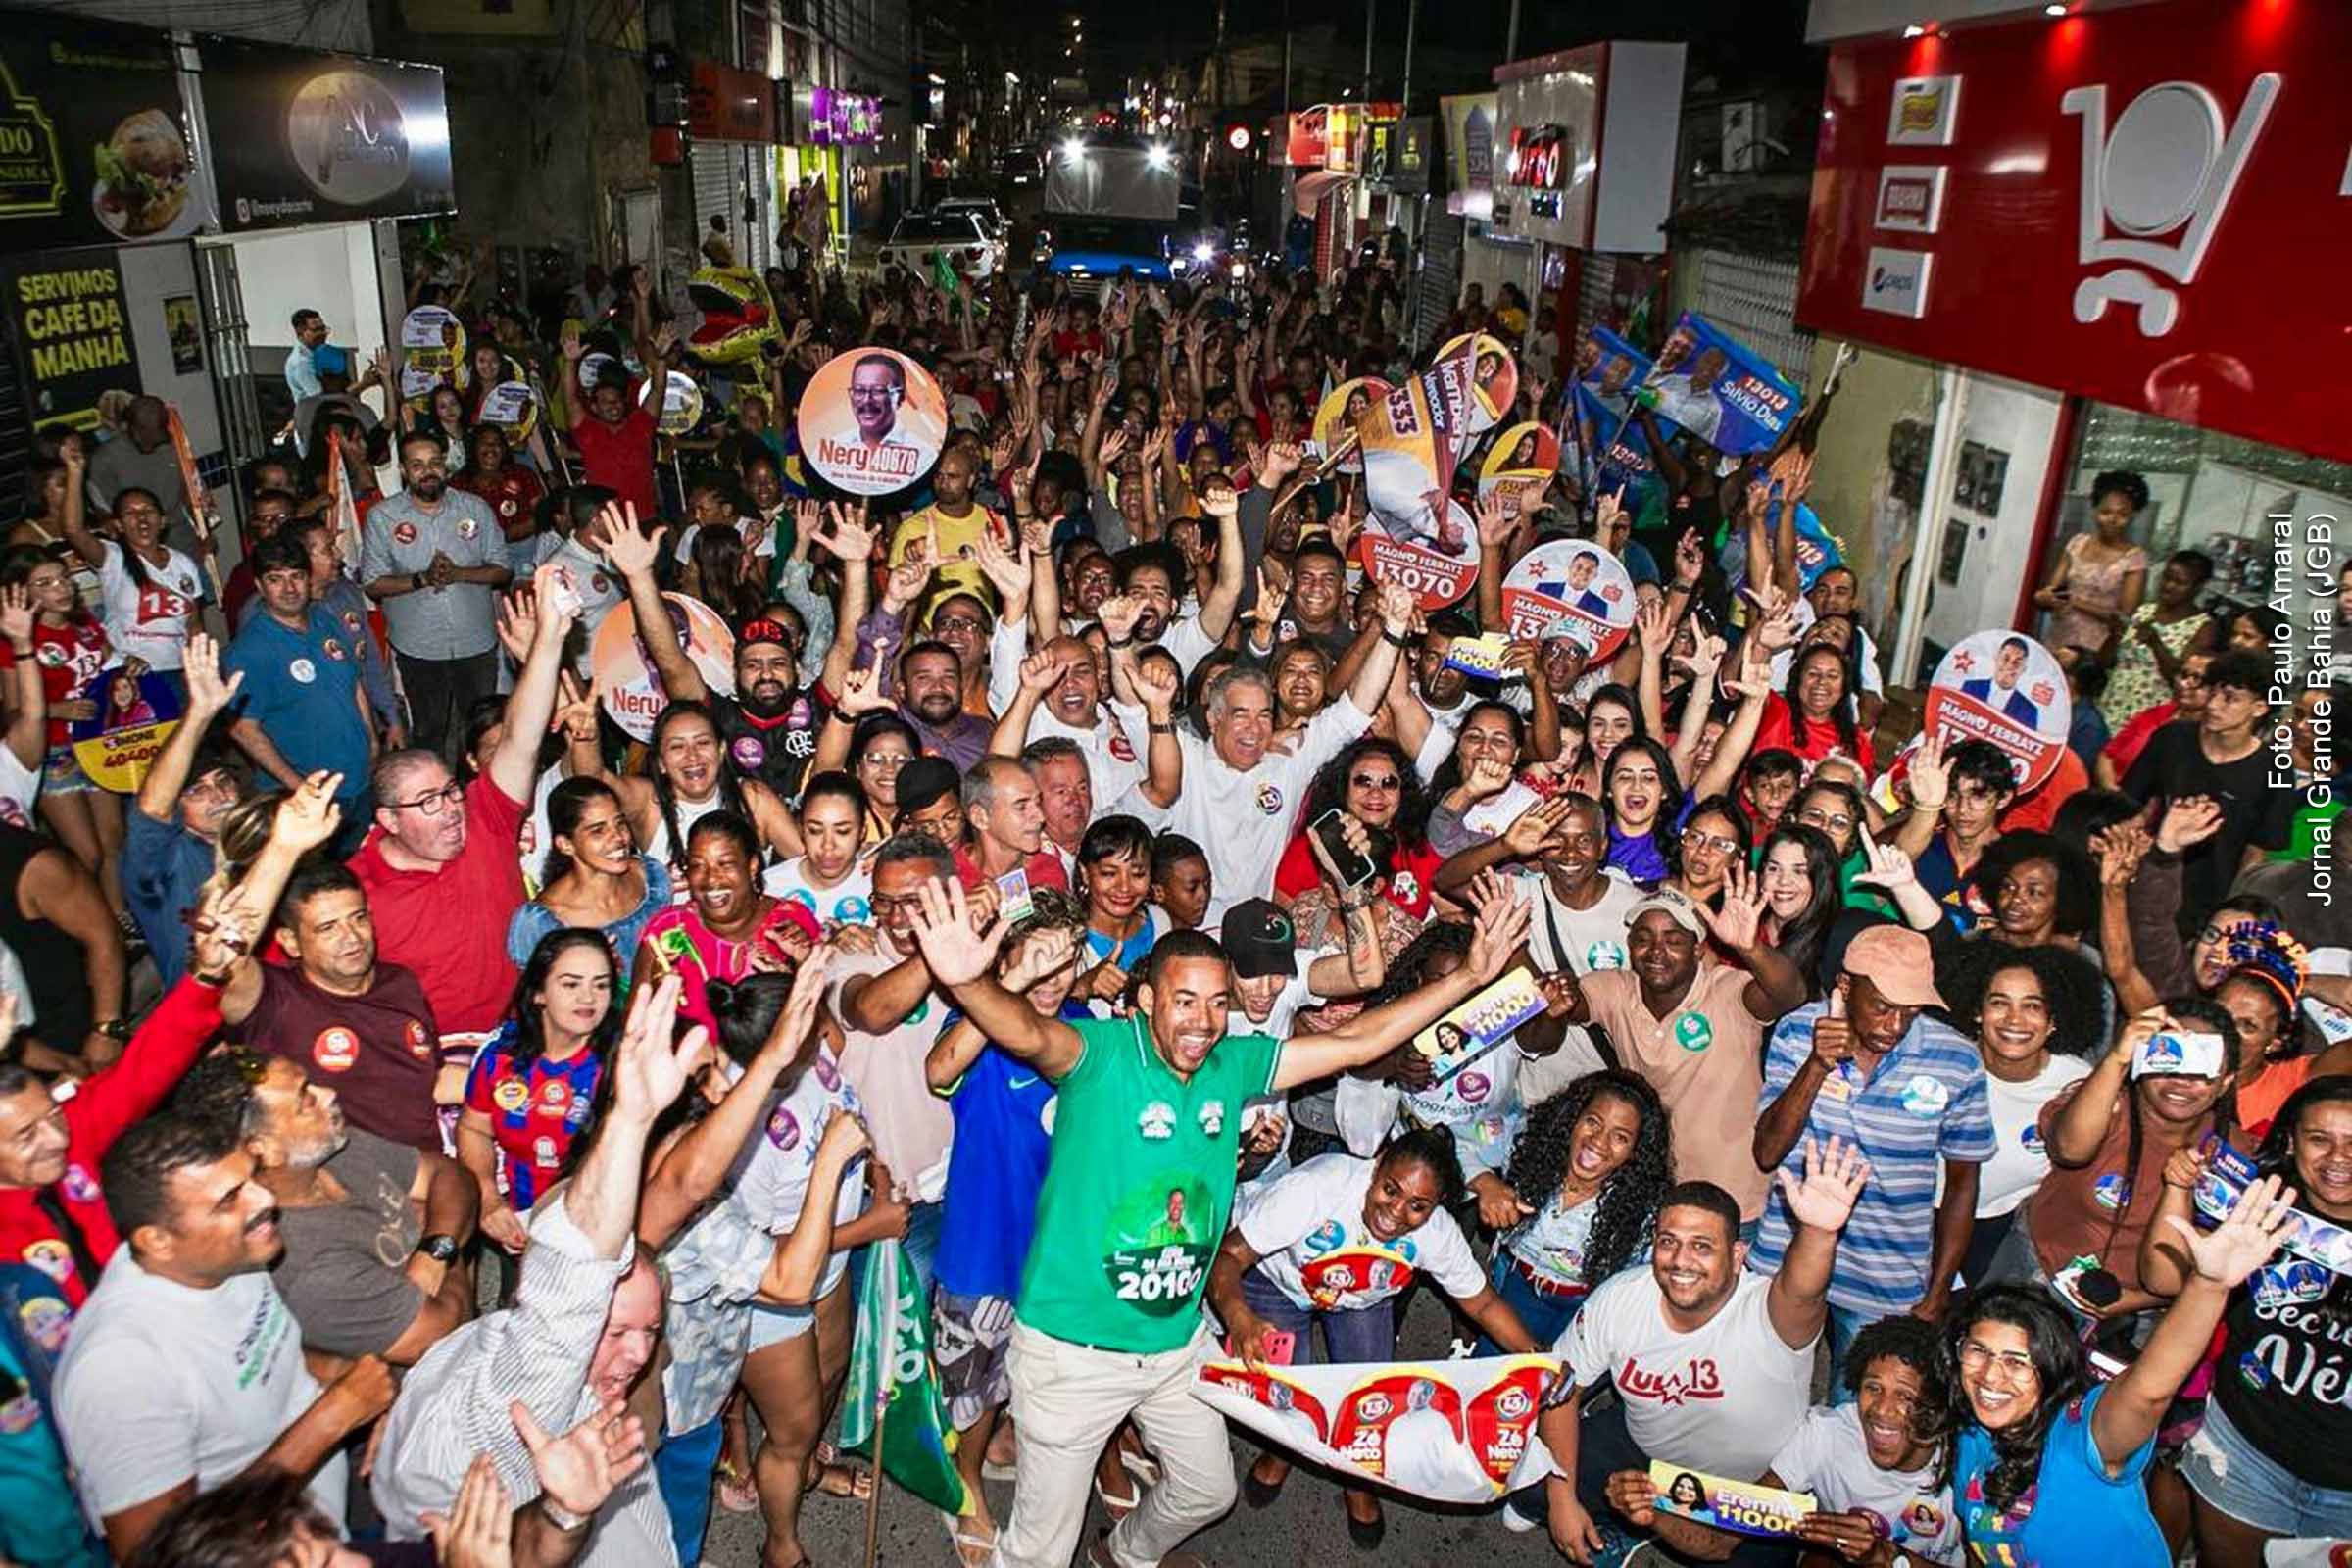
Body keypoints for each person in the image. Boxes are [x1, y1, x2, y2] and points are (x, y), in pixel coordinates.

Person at [903, 874, 1530, 1568]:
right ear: (1145, 1003)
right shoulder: (1100, 1056)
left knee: (1207, 1491)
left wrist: (1472, 974)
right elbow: (1024, 1030)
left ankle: (1127, 1556)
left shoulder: (1234, 1064)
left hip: (1174, 1348)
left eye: (1216, 1002)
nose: (1202, 1021)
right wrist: (970, 986)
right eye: (1183, 1001)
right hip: (1072, 1357)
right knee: (1038, 1555)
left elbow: (1358, 1041)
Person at [369, 974, 696, 1566]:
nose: (636, 1356)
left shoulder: (586, 1383)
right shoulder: (498, 1420)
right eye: (615, 1331)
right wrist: (630, 1121)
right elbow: (569, 1296)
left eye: (648, 1332)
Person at [50, 1111, 396, 1560]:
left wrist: (347, 1376)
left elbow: (257, 1357)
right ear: (157, 1241)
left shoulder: (220, 1255)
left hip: (326, 1529)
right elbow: (156, 1554)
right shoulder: (121, 1367)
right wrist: (332, 1420)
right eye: (229, 1199)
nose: (264, 1199)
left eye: (252, 1177)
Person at [1527, 1140, 1870, 1564]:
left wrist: (1819, 1232)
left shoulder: (1772, 1314)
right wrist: (1562, 1499)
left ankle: (1645, 1524)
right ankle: (1623, 1525)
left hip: (1750, 1489)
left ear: (1738, 1255)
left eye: (1702, 1246)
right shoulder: (1620, 1299)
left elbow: (1803, 1290)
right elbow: (1560, 1386)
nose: (1681, 1260)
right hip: (1646, 1451)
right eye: (1668, 1241)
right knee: (1529, 1482)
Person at [1941, 1171, 2295, 1568]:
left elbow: (2148, 1391)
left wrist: (2208, 1285)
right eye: (1978, 1351)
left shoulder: (2080, 1434)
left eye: (2017, 1361)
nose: (1990, 1376)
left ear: (2053, 1367)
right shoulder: (1974, 1430)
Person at [1211, 1130, 1539, 1544]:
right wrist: (1239, 1318)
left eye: (1418, 1206)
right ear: (1377, 1165)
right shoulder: (1316, 1188)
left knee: (1370, 1402)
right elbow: (1229, 1255)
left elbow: (1484, 1305)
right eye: (1390, 1189)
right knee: (1288, 1397)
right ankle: (1283, 1451)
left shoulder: (1438, 1234)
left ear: (1436, 1207)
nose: (1397, 1213)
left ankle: (1359, 1481)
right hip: (1278, 1284)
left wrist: (1534, 1358)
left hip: (1360, 1299)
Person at [1751, 925, 1994, 1386]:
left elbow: (1964, 1183)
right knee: (1766, 1390)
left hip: (1888, 1274)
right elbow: (1767, 1151)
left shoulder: (1956, 1059)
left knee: (1859, 1412)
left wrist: (1939, 1288)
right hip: (1786, 1256)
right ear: (1846, 987)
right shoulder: (1800, 1030)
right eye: (1882, 1007)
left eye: (1911, 1010)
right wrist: (1817, 1065)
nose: (1895, 1026)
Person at [351, 562, 574, 1052]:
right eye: (429, 802)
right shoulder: (356, 893)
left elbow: (519, 737)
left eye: (451, 790)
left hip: (526, 1034)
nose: (452, 808)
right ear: (388, 820)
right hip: (435, 1063)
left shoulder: (486, 818)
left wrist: (551, 637)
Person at [1127, 580, 1419, 921]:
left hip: (1258, 933)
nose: (1254, 728)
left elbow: (1356, 708)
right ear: (1213, 717)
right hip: (1186, 930)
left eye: (1264, 715)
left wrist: (1394, 630)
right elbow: (1132, 713)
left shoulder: (1290, 759)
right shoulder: (1183, 758)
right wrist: (1121, 642)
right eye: (1240, 715)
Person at [171, 1046, 480, 1366]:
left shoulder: (328, 1149)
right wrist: (439, 1232)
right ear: (266, 1151)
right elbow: (443, 1337)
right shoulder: (305, 1266)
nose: (328, 1094)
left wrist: (435, 1251)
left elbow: (451, 1175)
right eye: (305, 1099)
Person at [2150, 1076, 2352, 1559]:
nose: (2338, 1158)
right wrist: (2178, 1188)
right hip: (2246, 1452)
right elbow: (2161, 1278)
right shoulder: (2257, 1206)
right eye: (2319, 1139)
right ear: (2291, 1141)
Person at [1544, 885, 1811, 1226]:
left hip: (1734, 1201)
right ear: (1629, 946)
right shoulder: (1615, 989)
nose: (1657, 951)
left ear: (1698, 949)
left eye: (1673, 940)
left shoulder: (1727, 991)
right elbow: (1570, 1008)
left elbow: (1792, 994)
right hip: (1652, 1194)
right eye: (1644, 938)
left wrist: (1751, 949)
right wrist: (1558, 996)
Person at [225, 858, 444, 1152]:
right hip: (345, 1181)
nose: (352, 937)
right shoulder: (274, 999)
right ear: (290, 942)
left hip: (433, 1168)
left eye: (358, 918)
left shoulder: (400, 983)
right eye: (328, 928)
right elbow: (225, 955)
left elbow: (431, 1080)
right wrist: (284, 848)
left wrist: (503, 1078)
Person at [460, 929, 621, 1258]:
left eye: (601, 984)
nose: (589, 998)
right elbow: (474, 1128)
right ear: (538, 993)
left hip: (600, 1233)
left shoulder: (622, 1063)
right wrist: (489, 1197)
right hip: (521, 1224)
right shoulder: (501, 1055)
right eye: (571, 984)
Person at [1486, 1069, 1675, 1348]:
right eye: (1592, 1121)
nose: (1598, 1141)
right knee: (1490, 1375)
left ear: (1636, 1151)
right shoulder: (1530, 1154)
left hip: (1587, 1307)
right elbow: (1463, 1138)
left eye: (1620, 1137)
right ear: (1572, 1119)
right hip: (1520, 1287)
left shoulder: (1642, 1213)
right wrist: (1484, 1182)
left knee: (1559, 1384)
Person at [359, 430, 514, 761]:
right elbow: (372, 583)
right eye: (417, 465)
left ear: (445, 465)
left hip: (476, 641)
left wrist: (460, 574)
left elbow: (503, 569)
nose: (428, 472)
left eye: (435, 463)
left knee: (481, 733)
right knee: (430, 731)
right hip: (420, 646)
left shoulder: (474, 507)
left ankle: (478, 801)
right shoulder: (383, 516)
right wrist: (422, 579)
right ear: (403, 471)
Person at [1764, 1314, 1965, 1565]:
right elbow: (1756, 1502)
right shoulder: (1827, 1434)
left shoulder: (1965, 1464)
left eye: (1904, 1396)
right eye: (1873, 1387)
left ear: (1936, 1405)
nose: (1881, 1409)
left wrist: (1885, 1557)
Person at [2123, 649, 2292, 930]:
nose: (2213, 705)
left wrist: (2230, 913)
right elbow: (2133, 806)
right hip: (2146, 880)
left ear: (2260, 708)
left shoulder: (2274, 769)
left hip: (2206, 904)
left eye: (2230, 698)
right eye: (2212, 692)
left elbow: (2255, 854)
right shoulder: (2172, 738)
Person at [123, 633, 250, 983]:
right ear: (176, 807)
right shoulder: (165, 861)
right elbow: (152, 810)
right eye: (197, 790)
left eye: (223, 781)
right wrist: (198, 715)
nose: (219, 796)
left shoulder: (259, 840)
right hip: (204, 1017)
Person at [630, 811, 819, 1035]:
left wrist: (797, 974)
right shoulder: (666, 931)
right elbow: (632, 1028)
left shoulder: (791, 925)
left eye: (726, 864)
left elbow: (821, 1026)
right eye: (698, 866)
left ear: (751, 866)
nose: (711, 879)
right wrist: (657, 991)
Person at [224, 534, 375, 814]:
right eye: (275, 579)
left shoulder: (324, 620)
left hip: (357, 778)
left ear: (308, 579)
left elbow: (352, 682)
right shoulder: (249, 650)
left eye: (296, 576)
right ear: (259, 585)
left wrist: (371, 739)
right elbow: (243, 730)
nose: (289, 588)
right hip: (305, 793)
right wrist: (298, 787)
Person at [508, 778, 671, 970]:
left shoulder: (651, 878)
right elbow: (535, 994)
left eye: (620, 823)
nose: (619, 837)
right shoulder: (541, 923)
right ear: (566, 844)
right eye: (598, 831)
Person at [2035, 470, 2150, 658]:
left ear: (2133, 515)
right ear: (2094, 508)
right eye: (2106, 512)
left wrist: (2076, 602)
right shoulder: (2077, 543)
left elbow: (2124, 617)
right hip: (2058, 639)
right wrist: (2044, 597)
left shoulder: (2135, 559)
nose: (2113, 520)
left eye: (2122, 515)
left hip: (2094, 653)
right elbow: (2054, 589)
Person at [2101, 549, 2215, 731]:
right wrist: (2114, 636)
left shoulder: (2202, 627)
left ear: (2198, 587)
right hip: (2113, 703)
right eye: (2166, 578)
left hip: (2150, 714)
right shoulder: (2144, 611)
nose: (2168, 586)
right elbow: (2105, 662)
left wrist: (2156, 644)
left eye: (2179, 582)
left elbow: (2183, 680)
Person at [1959, 636, 2046, 729]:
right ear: (1996, 659)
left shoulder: (2029, 711)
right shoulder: (1970, 688)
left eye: (2017, 662)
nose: (2009, 666)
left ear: (2023, 669)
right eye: (2006, 658)